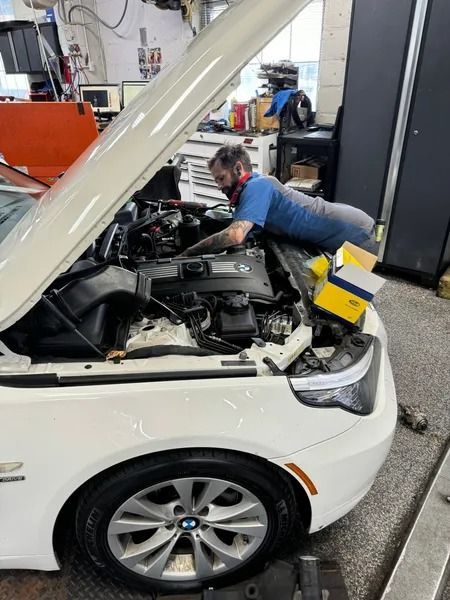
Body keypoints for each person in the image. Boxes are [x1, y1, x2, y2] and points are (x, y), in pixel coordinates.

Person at [180, 144, 378, 257]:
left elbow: (235, 236)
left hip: (356, 234)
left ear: (238, 169)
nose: (219, 186)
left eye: (221, 178)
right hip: (342, 225)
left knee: (345, 305)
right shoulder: (253, 187)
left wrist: (189, 253)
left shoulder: (257, 186)